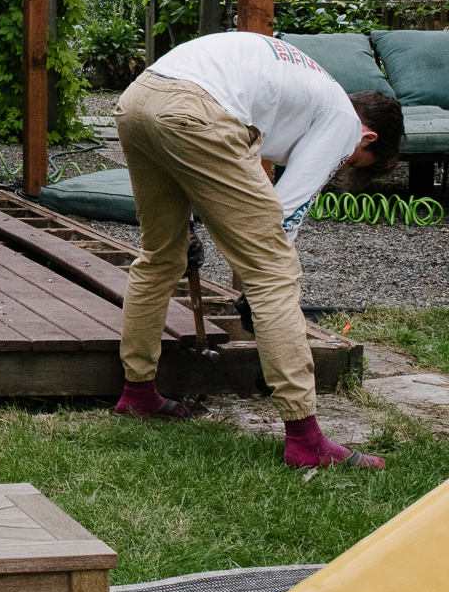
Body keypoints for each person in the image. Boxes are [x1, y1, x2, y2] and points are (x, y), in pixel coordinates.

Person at [112, 30, 403, 468]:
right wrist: (258, 290)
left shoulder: (308, 88)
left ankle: (137, 393)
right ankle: (306, 441)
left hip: (140, 99)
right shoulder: (345, 123)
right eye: (354, 161)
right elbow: (287, 208)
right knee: (275, 273)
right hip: (196, 109)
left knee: (162, 257)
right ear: (368, 138)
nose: (343, 163)